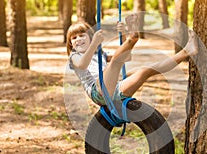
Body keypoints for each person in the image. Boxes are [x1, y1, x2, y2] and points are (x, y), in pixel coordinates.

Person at [66, 13, 199, 106]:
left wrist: (122, 36)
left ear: (89, 37)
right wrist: (94, 43)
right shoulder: (74, 56)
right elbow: (83, 65)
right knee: (114, 62)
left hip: (115, 90)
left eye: (82, 35)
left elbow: (126, 57)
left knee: (146, 70)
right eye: (74, 38)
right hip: (98, 92)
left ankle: (187, 51)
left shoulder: (99, 54)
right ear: (71, 44)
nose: (78, 39)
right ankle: (133, 37)